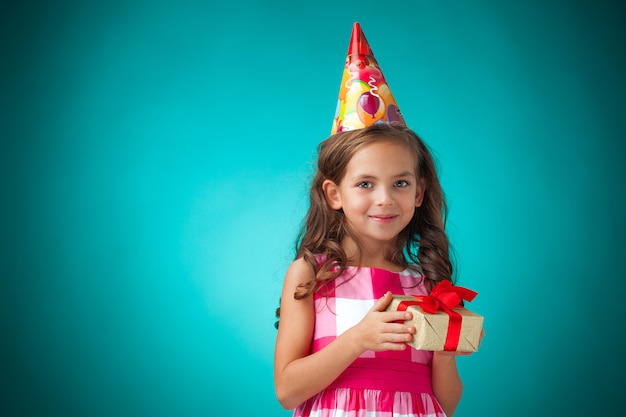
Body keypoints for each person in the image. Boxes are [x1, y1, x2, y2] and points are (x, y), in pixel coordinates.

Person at [274, 123, 481, 417]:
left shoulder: (428, 287)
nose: (385, 198)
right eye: (365, 184)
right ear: (334, 194)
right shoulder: (311, 274)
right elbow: (287, 391)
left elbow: (444, 406)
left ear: (419, 193)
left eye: (400, 183)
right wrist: (357, 339)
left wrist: (444, 352)